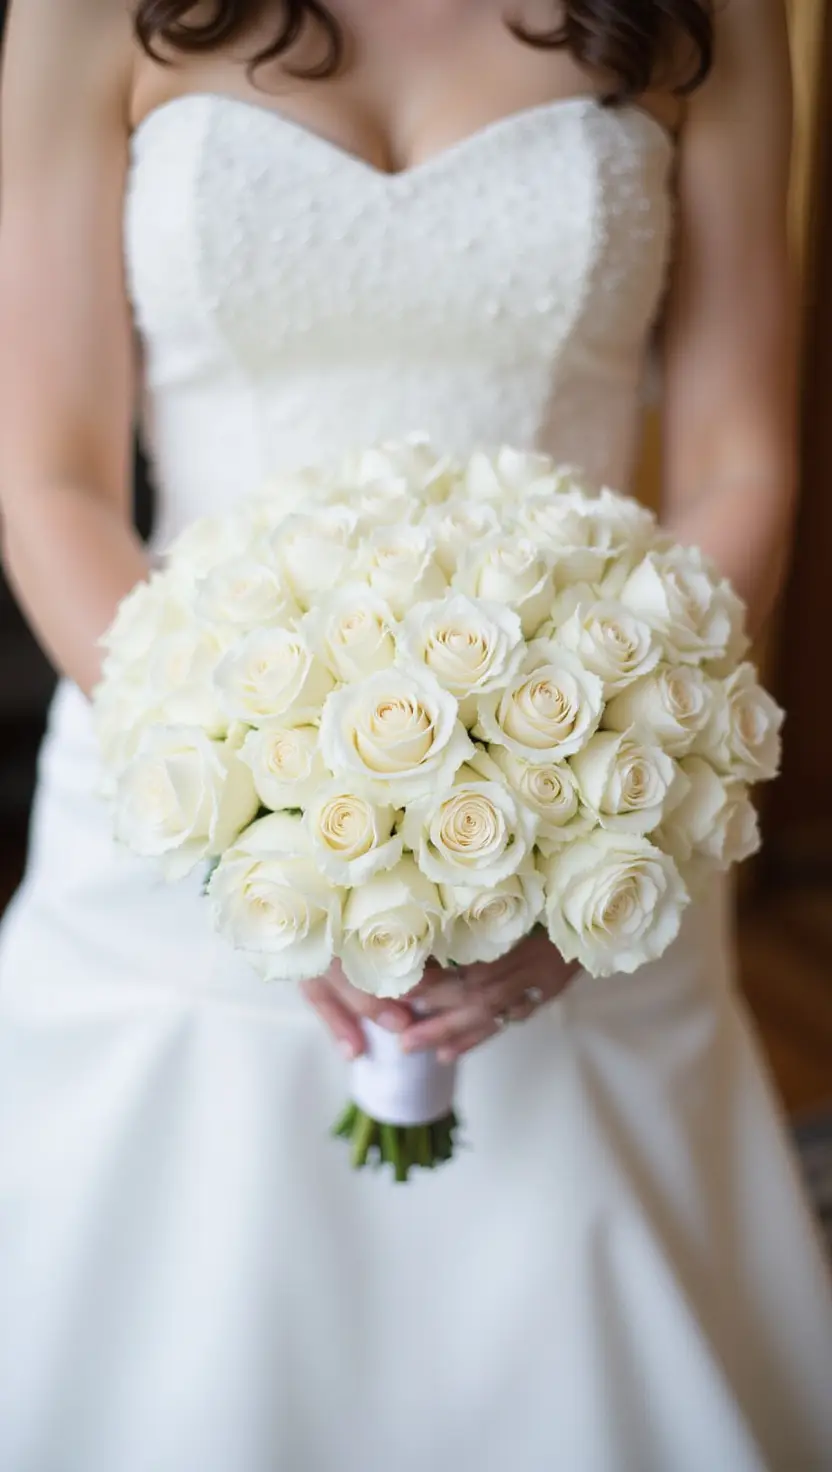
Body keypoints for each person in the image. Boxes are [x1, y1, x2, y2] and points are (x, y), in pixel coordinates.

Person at [0, 1, 830, 1467]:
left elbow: (738, 461)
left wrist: (582, 828)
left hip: (592, 777)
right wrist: (251, 830)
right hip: (169, 782)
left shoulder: (713, 14)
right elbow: (51, 479)